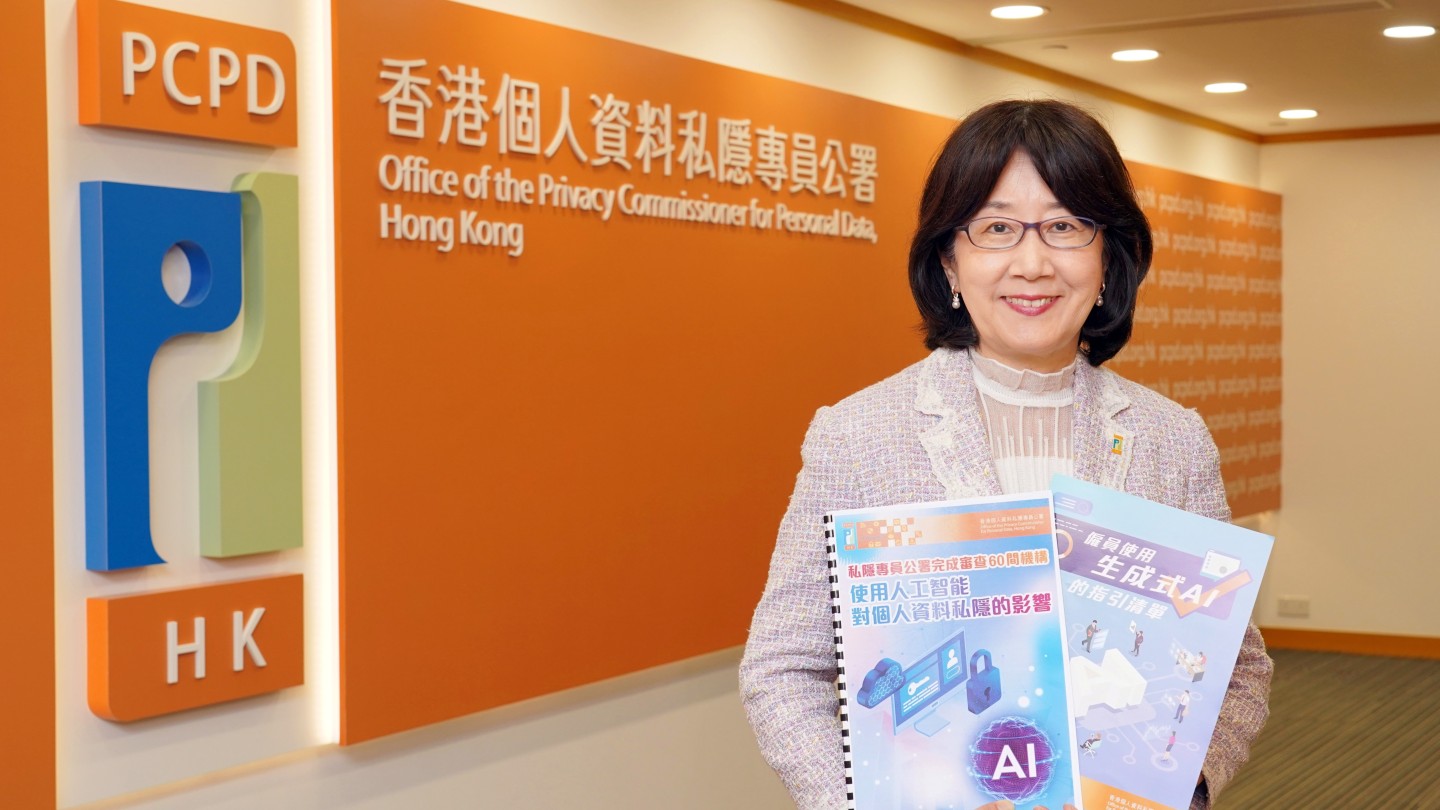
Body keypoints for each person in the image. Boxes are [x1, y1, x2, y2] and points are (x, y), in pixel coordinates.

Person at [738, 99, 1272, 810]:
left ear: (1108, 258)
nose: (1032, 262)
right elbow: (783, 668)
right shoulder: (858, 435)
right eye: (996, 228)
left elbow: (1235, 667)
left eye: (1064, 226)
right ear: (949, 262)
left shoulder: (1171, 439)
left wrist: (1177, 787)